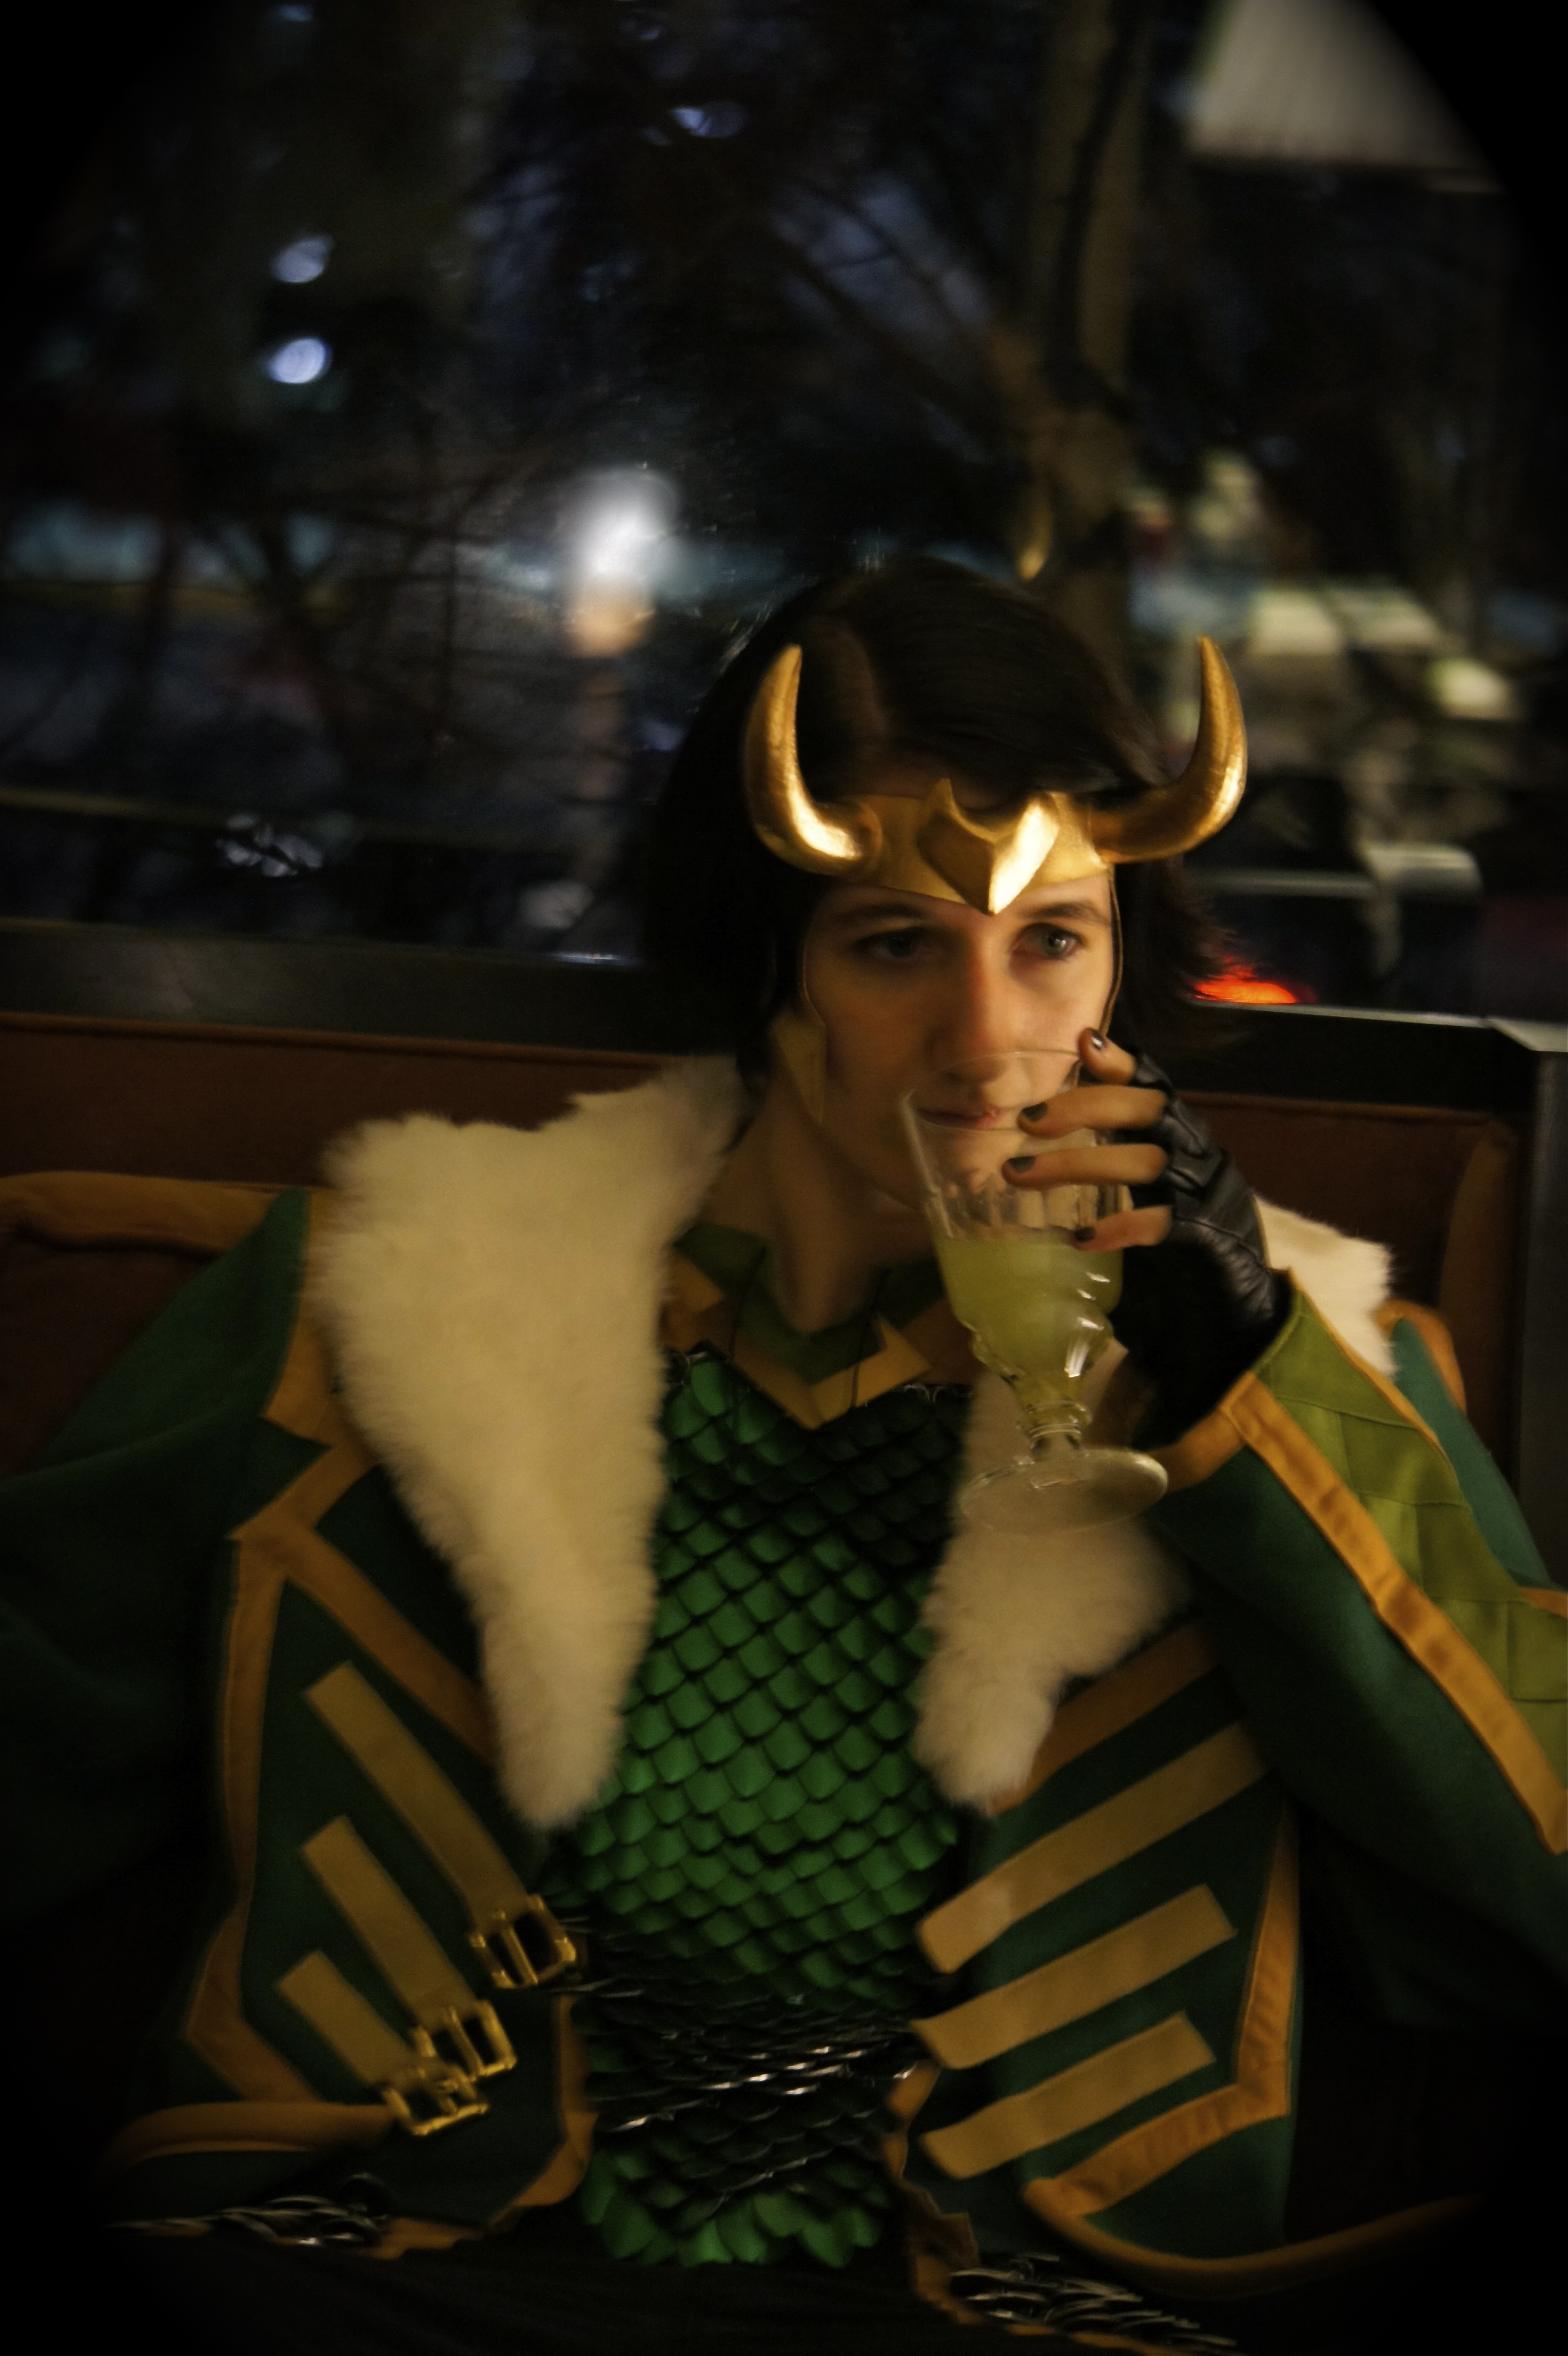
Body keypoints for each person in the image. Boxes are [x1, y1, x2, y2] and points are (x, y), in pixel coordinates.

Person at [1, 558, 1561, 2356]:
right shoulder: (372, 1307)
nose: (987, 1042)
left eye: (1052, 941)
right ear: (767, 966)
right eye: (894, 944)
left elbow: (1530, 1886)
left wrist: (1249, 1383)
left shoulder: (1302, 1362)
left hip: (1013, 2319)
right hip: (384, 2260)